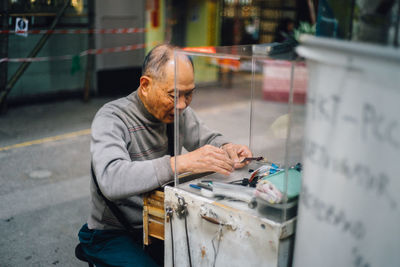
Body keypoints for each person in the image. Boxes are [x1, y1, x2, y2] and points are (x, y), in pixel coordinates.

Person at [77, 44, 252, 267]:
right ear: (146, 85)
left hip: (161, 220)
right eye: (174, 95)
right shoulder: (112, 118)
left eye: (189, 94)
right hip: (114, 232)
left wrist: (227, 147)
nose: (181, 105)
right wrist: (179, 163)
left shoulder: (178, 112)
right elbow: (111, 178)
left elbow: (207, 139)